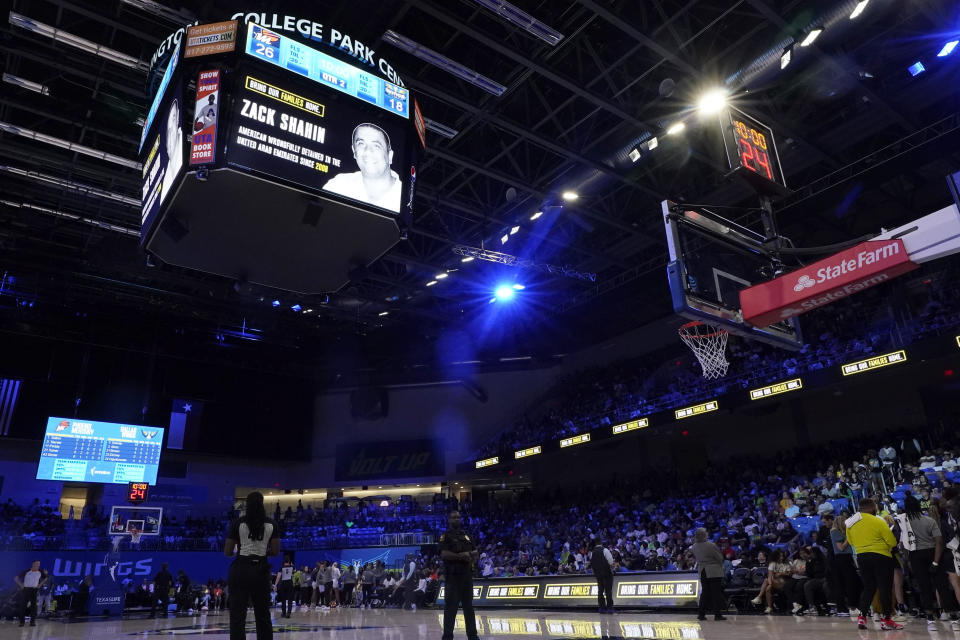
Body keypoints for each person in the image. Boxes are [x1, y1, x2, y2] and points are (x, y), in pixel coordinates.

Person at [225, 491, 279, 640]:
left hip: (240, 569)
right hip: (260, 571)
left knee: (237, 616)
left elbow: (228, 551)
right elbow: (275, 551)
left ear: (247, 504)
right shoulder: (271, 524)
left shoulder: (238, 523)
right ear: (262, 503)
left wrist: (242, 550)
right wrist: (260, 552)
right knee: (263, 615)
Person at [845, 498, 902, 630]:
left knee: (869, 588)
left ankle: (862, 617)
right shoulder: (878, 520)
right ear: (871, 508)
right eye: (875, 507)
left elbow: (851, 542)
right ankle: (886, 620)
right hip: (881, 556)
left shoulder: (850, 523)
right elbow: (892, 542)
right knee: (884, 588)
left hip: (862, 557)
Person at [322, 123, 401, 213]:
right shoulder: (338, 184)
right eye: (361, 144)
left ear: (390, 155)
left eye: (376, 146)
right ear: (354, 151)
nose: (367, 151)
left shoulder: (403, 199)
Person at [897, 493, 947, 629]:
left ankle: (929, 615)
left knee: (923, 585)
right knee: (940, 584)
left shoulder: (905, 524)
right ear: (919, 506)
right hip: (932, 552)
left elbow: (902, 545)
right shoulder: (929, 520)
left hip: (915, 555)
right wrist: (936, 562)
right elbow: (939, 541)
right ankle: (948, 612)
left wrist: (908, 560)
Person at [440, 510, 479, 640]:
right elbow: (444, 554)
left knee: (469, 607)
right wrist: (460, 556)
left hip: (467, 576)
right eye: (454, 517)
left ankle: (473, 636)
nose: (457, 519)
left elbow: (476, 552)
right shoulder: (446, 536)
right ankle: (447, 636)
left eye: (458, 517)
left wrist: (471, 556)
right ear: (449, 520)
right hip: (453, 577)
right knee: (451, 609)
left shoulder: (466, 535)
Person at [691, 528, 726, 621]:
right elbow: (719, 558)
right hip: (713, 570)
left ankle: (701, 614)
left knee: (705, 593)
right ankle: (717, 615)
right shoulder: (711, 545)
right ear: (704, 535)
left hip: (702, 570)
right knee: (716, 593)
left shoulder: (694, 546)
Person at [830, 511, 861, 617]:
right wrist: (848, 537)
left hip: (847, 558)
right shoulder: (835, 532)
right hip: (842, 559)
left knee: (852, 582)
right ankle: (846, 606)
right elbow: (841, 547)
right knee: (847, 582)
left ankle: (853, 605)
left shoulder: (842, 531)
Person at [14, 560, 47, 627]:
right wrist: (21, 585)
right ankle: (22, 622)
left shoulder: (40, 572)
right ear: (33, 564)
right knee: (23, 606)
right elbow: (16, 578)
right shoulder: (26, 571)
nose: (38, 565)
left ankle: (32, 622)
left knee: (34, 607)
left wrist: (39, 585)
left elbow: (45, 578)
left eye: (39, 564)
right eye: (36, 564)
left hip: (34, 590)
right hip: (26, 589)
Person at [590, 540, 615, 614]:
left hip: (598, 574)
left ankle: (601, 608)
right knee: (608, 591)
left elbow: (592, 563)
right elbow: (610, 562)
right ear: (601, 543)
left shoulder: (592, 552)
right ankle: (610, 608)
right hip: (606, 573)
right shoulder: (605, 550)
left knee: (600, 591)